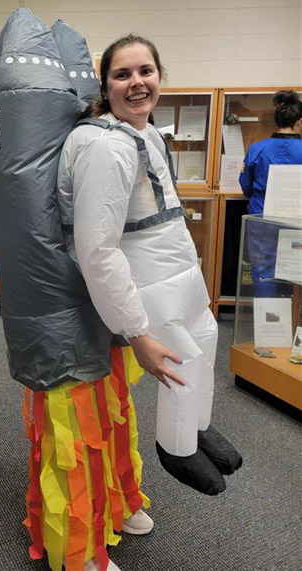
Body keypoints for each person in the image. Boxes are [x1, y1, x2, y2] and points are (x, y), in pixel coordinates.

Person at [56, 33, 241, 570]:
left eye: (145, 71)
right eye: (123, 74)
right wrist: (136, 331)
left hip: (177, 270)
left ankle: (196, 428)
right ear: (106, 85)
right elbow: (97, 249)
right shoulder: (103, 148)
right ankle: (177, 450)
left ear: (159, 76)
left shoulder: (147, 134)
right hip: (144, 280)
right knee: (182, 357)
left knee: (206, 337)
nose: (137, 83)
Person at [239, 90, 302, 296]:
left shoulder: (257, 149)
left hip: (262, 216)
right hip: (297, 218)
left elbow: (245, 185)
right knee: (296, 268)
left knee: (262, 270)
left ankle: (267, 314)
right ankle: (294, 314)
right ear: (299, 121)